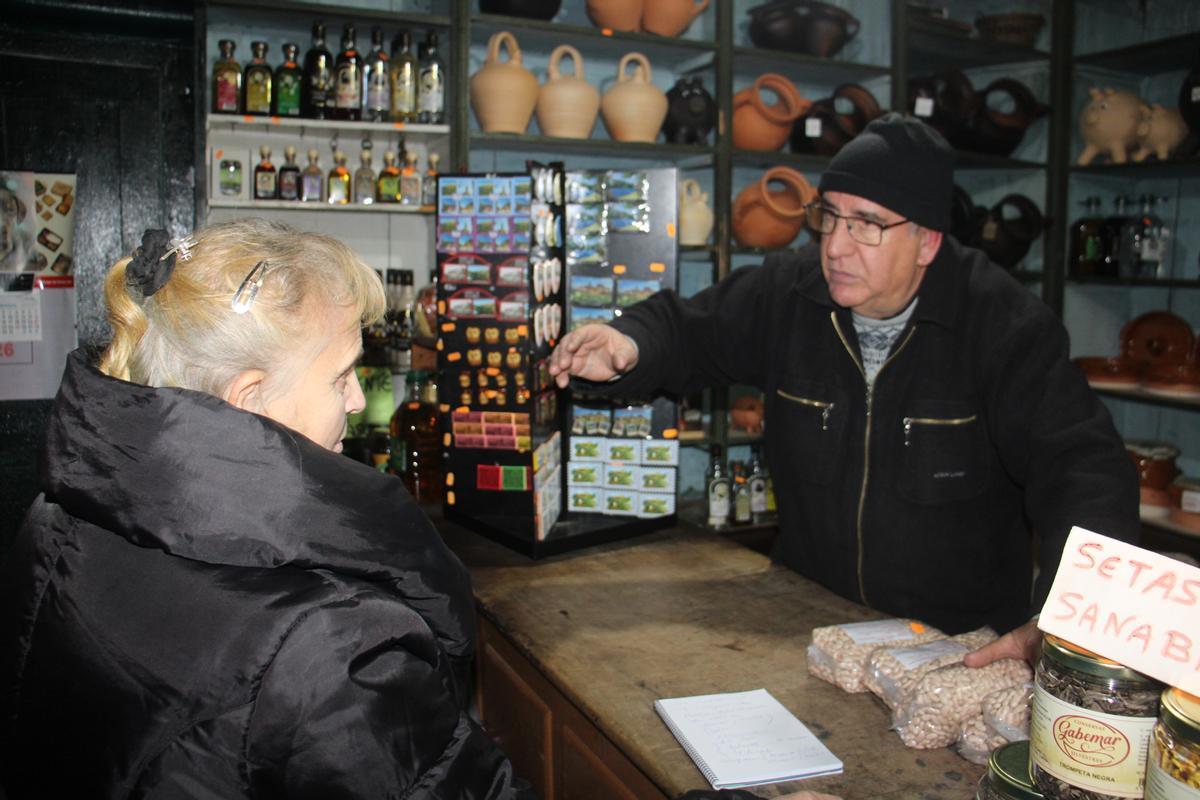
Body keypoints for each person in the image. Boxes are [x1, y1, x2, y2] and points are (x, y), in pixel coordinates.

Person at [549, 114, 1140, 667]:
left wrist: (1064, 622)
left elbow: (1084, 468)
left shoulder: (1001, 324)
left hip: (957, 649)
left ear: (928, 242)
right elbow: (688, 329)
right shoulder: (792, 294)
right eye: (829, 216)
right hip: (809, 627)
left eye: (866, 224)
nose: (835, 245)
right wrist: (629, 343)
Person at [0, 220, 536, 798]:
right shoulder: (334, 646)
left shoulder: (52, 518)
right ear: (250, 399)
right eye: (340, 376)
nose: (357, 398)